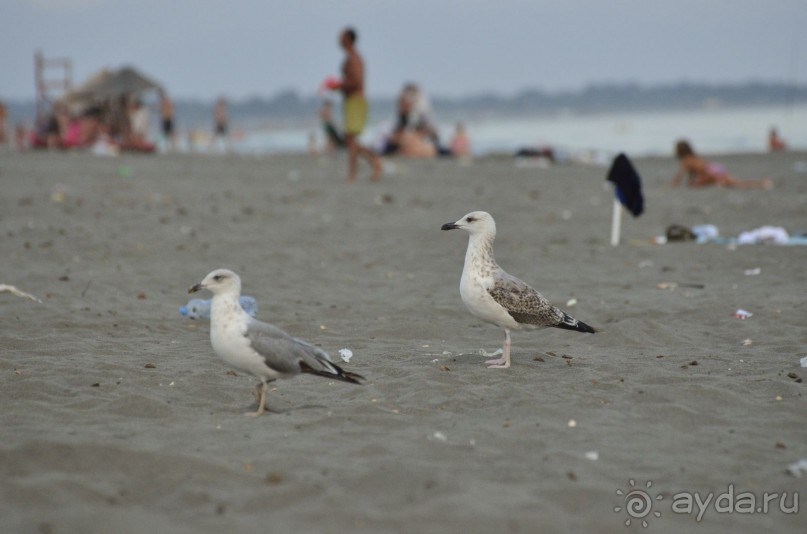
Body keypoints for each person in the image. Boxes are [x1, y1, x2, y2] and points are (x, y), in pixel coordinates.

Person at [336, 27, 382, 182]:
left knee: (350, 139)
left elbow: (357, 81)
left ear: (349, 40)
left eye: (342, 37)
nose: (339, 40)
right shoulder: (350, 57)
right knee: (350, 140)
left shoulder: (354, 59)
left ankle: (373, 161)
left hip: (356, 101)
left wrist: (339, 85)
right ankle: (355, 172)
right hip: (351, 101)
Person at [671, 139, 772, 189]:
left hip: (711, 172)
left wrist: (672, 185)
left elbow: (678, 179)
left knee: (736, 184)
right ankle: (761, 182)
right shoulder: (694, 157)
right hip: (715, 168)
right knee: (735, 182)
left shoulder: (686, 161)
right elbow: (697, 173)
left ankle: (762, 184)